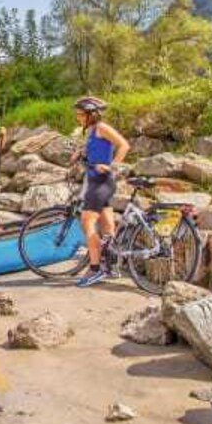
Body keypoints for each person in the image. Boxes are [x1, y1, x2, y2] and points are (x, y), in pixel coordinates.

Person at [69, 96, 130, 288]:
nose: (78, 117)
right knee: (108, 228)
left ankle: (96, 269)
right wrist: (81, 153)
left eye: (80, 114)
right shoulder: (92, 131)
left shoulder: (102, 128)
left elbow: (124, 145)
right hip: (95, 181)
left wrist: (112, 166)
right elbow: (95, 150)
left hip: (101, 182)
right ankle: (111, 266)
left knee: (87, 222)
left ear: (91, 114)